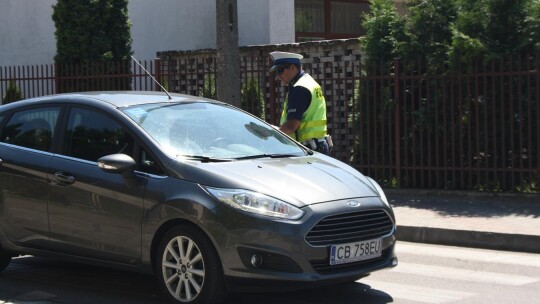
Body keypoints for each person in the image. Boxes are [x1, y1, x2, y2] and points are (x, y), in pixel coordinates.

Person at [269, 51, 333, 155]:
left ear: (293, 68)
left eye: (280, 71)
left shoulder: (299, 88)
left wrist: (272, 134)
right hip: (319, 146)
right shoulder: (309, 82)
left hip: (309, 149)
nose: (278, 76)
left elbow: (291, 126)